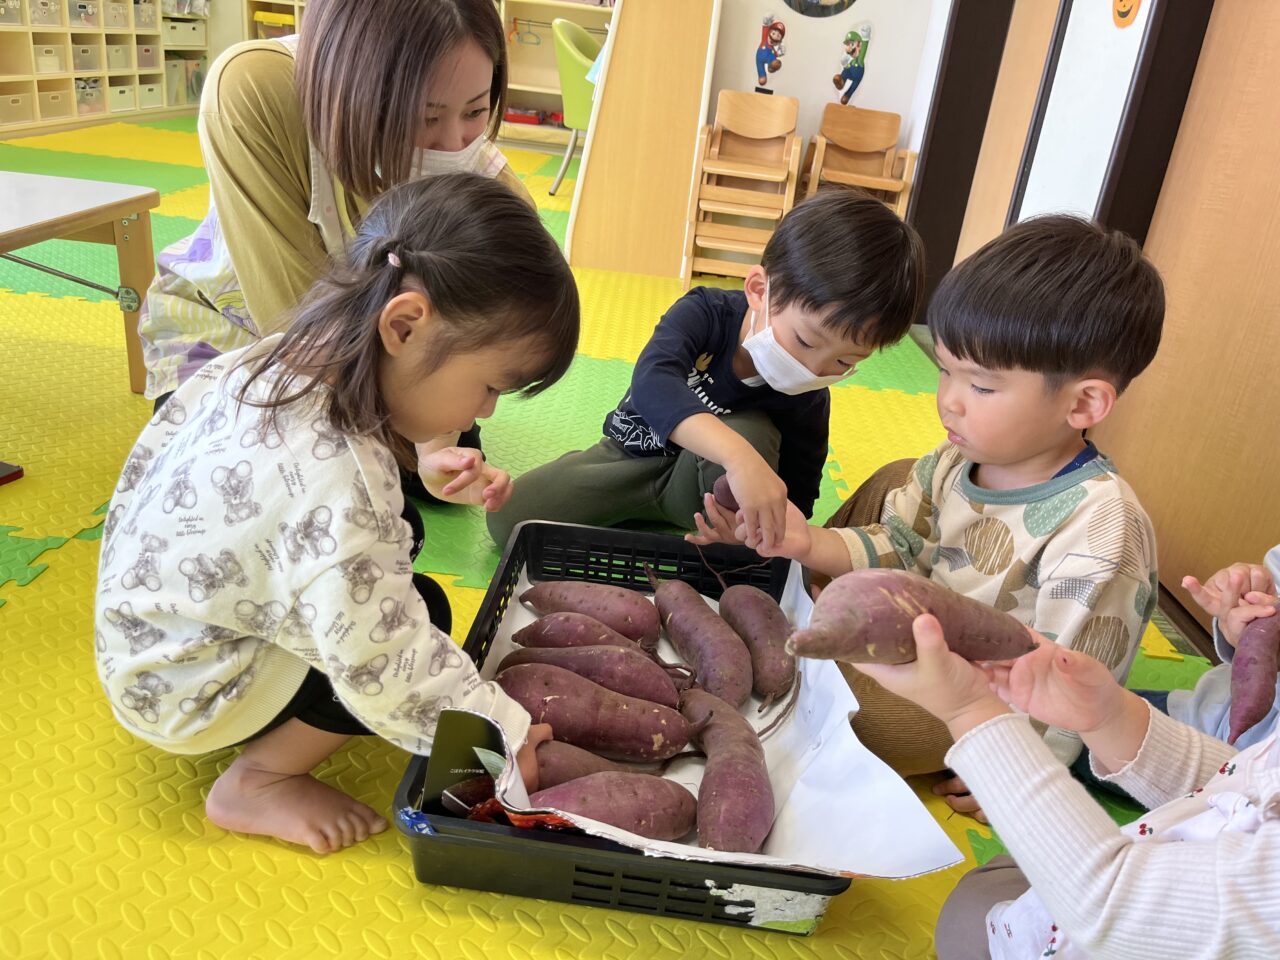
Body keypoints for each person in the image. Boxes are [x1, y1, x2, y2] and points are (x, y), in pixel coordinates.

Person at [94, 174, 578, 854]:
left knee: (395, 537)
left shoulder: (273, 358)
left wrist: (421, 462)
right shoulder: (341, 482)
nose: (486, 412)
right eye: (490, 386)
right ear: (403, 325)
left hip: (141, 642)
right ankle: (258, 780)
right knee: (420, 613)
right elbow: (385, 658)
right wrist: (498, 734)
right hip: (188, 695)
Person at [692, 215, 1165, 819]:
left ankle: (810, 638)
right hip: (916, 616)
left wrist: (1022, 776)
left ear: (1084, 403)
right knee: (897, 476)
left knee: (864, 723)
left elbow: (1078, 685)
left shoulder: (1102, 531)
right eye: (944, 369)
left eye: (982, 386)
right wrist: (804, 541)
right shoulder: (954, 459)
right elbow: (895, 541)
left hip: (972, 697)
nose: (949, 400)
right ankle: (813, 618)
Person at [139, 0, 534, 488]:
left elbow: (469, 333)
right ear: (359, 91)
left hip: (398, 353)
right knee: (245, 481)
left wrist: (433, 446)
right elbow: (295, 319)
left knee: (427, 475)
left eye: (475, 110)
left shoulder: (494, 187)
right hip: (252, 335)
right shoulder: (256, 87)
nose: (454, 144)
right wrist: (391, 444)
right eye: (426, 117)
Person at [486, 187, 925, 549]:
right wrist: (740, 458)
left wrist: (749, 533)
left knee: (752, 432)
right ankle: (625, 503)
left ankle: (697, 528)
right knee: (509, 522)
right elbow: (652, 384)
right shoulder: (705, 313)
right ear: (759, 290)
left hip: (699, 500)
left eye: (845, 362)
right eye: (806, 341)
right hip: (628, 457)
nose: (814, 368)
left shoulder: (808, 398)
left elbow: (797, 499)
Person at [851, 614, 1280, 959]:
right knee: (1004, 875)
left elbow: (1114, 910)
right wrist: (1108, 717)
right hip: (1130, 879)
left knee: (969, 914)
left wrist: (969, 711)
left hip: (1106, 918)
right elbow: (1238, 784)